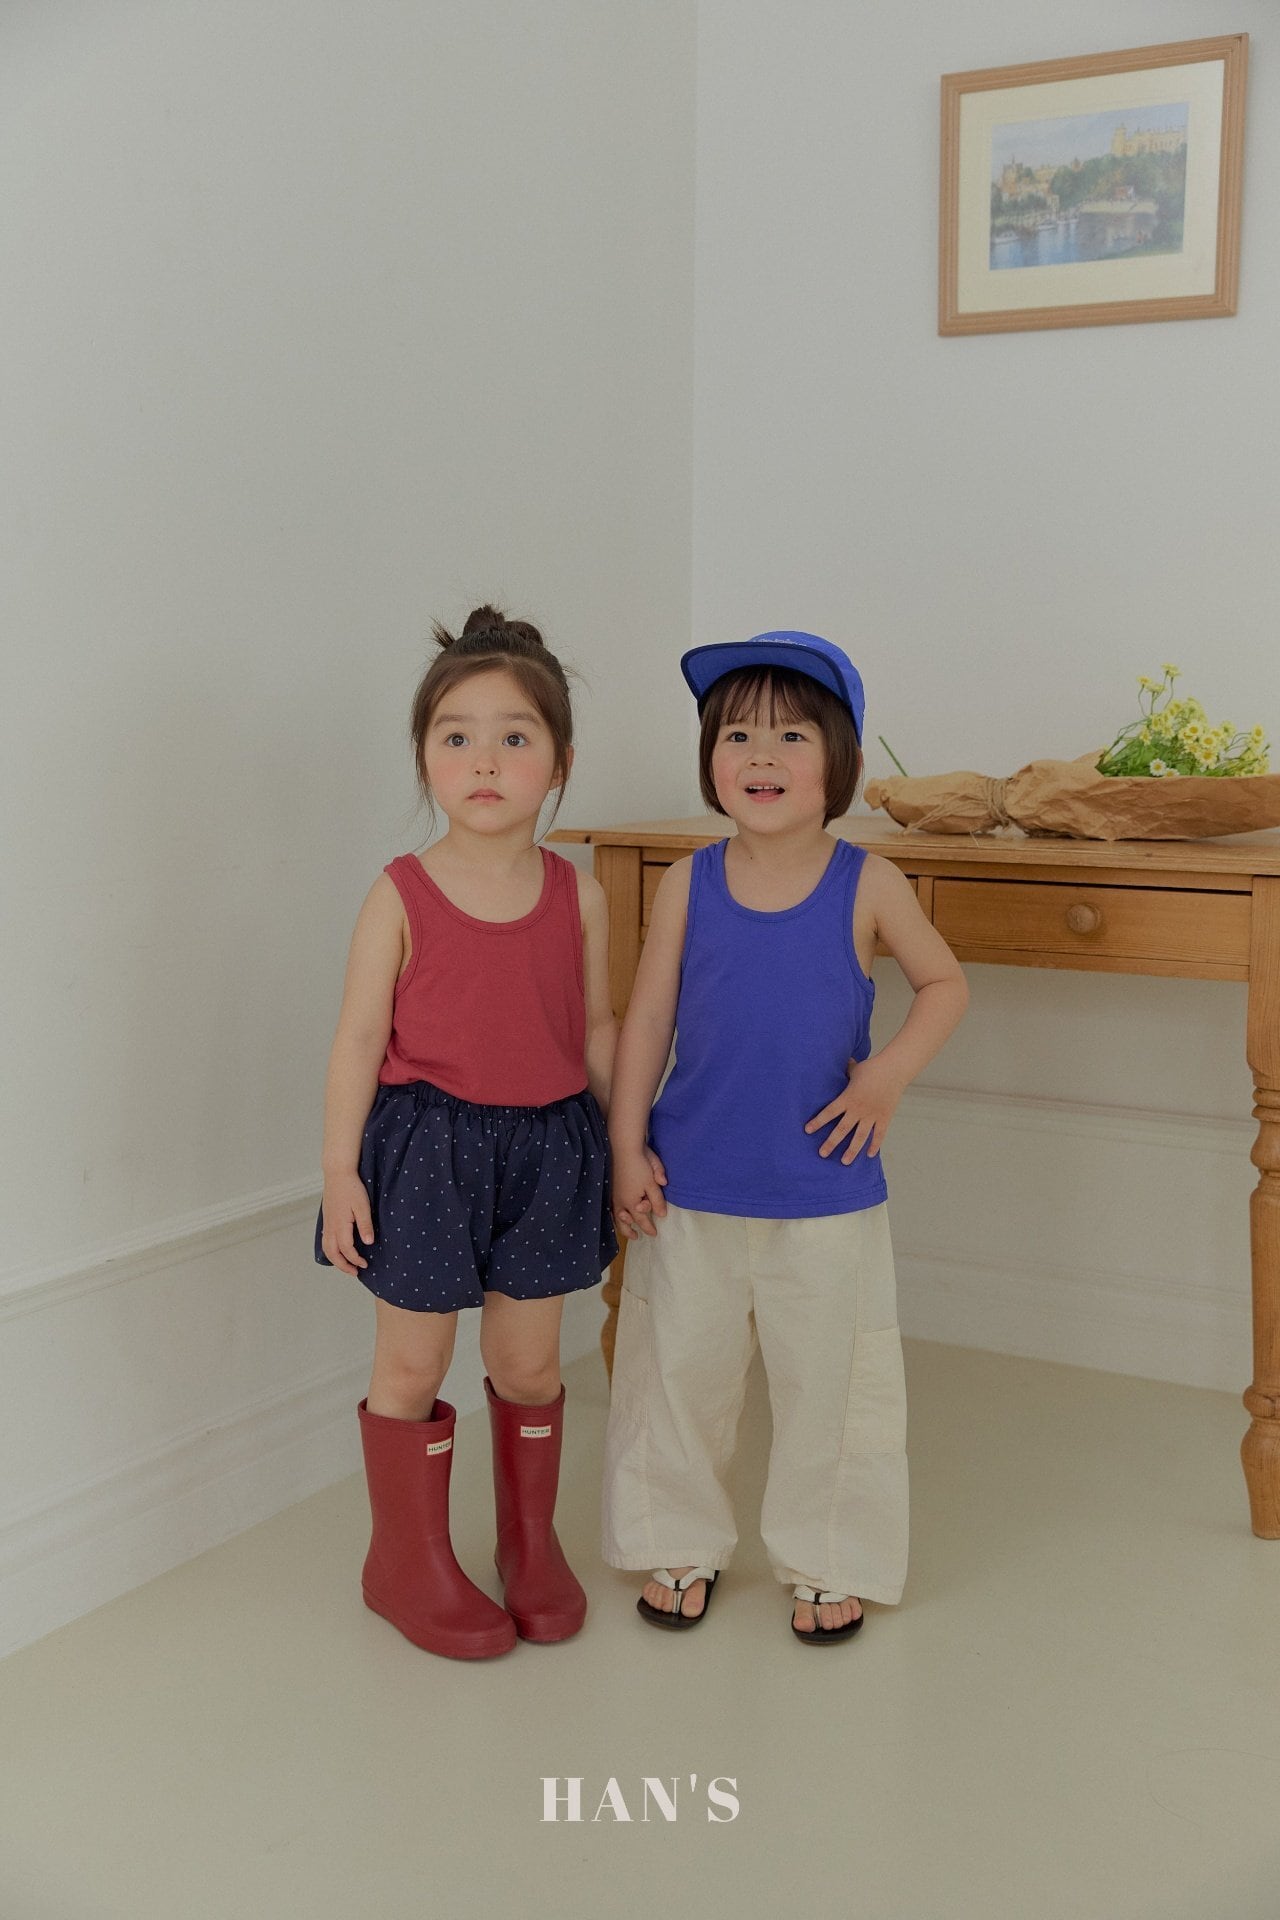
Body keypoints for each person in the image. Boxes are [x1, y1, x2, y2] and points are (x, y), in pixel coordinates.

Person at [601, 630, 968, 1643]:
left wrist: (887, 1075)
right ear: (711, 759)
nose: (760, 756)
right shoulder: (689, 882)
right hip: (691, 1185)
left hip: (825, 1189)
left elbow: (944, 984)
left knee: (832, 1386)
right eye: (737, 736)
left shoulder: (870, 882)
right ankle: (676, 1541)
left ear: (838, 760)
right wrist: (626, 1146)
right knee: (678, 1373)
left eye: (790, 736)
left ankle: (829, 1556)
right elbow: (646, 1021)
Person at [316, 606, 618, 1660]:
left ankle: (529, 1545)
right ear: (424, 759)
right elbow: (358, 1041)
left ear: (559, 764)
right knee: (413, 1365)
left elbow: (595, 1030)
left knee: (529, 1364)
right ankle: (403, 1562)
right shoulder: (398, 893)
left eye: (514, 736)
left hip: (548, 1153)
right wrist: (339, 1171)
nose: (484, 760)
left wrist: (629, 1143)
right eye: (457, 736)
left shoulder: (578, 895)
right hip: (426, 1156)